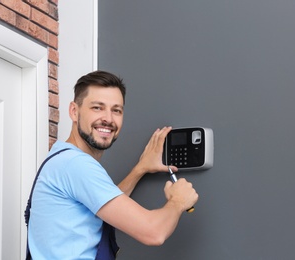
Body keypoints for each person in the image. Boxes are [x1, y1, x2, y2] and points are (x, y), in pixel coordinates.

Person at [27, 70, 199, 259]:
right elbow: (154, 232)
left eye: (116, 110)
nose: (108, 119)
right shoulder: (76, 165)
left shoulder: (61, 158)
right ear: (74, 112)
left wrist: (140, 168)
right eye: (97, 108)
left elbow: (105, 206)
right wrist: (179, 201)